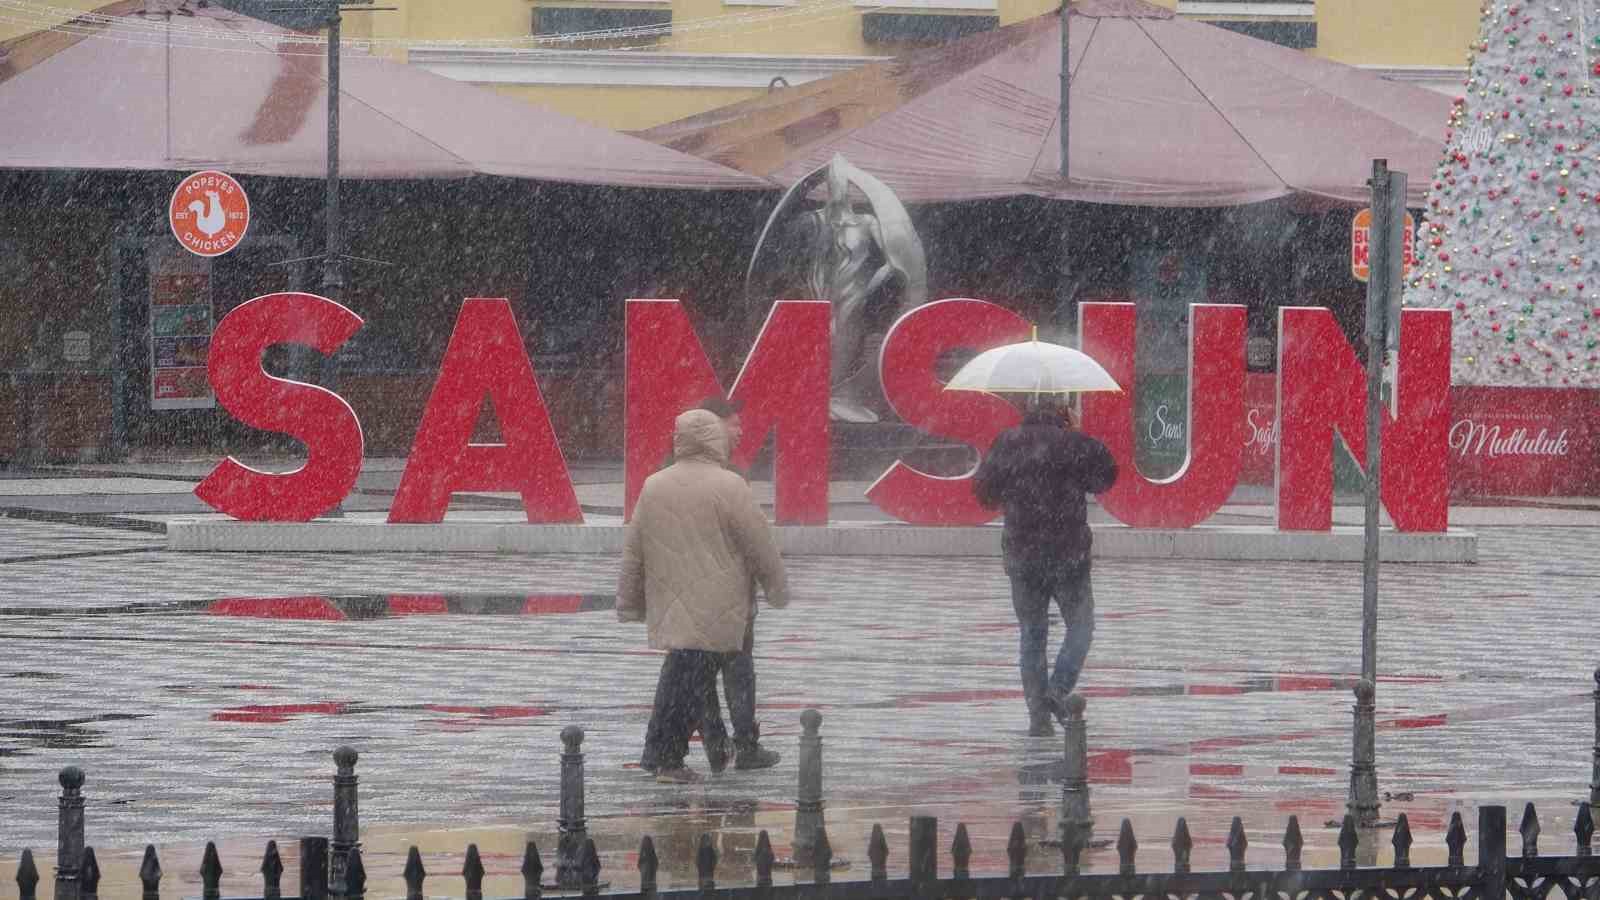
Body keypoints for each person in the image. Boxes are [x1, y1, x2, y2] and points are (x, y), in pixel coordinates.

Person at [619, 408, 789, 783]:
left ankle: (667, 755)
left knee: (680, 677)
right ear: (715, 438)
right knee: (688, 684)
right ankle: (669, 758)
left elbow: (634, 549)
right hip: (719, 603)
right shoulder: (729, 486)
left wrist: (629, 601)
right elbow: (760, 545)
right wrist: (776, 588)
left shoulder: (655, 485)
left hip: (672, 601)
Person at [973, 396, 1117, 737]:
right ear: (1063, 412)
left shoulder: (1008, 442)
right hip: (1068, 556)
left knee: (1032, 635)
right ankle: (1058, 690)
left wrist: (1016, 493)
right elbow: (1105, 479)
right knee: (1081, 628)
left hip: (1023, 557)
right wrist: (1079, 435)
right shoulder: (1075, 444)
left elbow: (983, 494)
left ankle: (1038, 717)